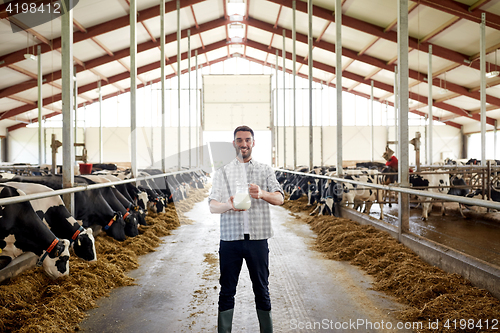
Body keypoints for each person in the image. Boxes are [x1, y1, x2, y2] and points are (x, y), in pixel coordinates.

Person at [208, 125, 284, 333]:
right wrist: (229, 206)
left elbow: (280, 198)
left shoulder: (265, 170)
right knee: (227, 291)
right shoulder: (222, 172)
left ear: (253, 143)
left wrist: (262, 193)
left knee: (261, 289)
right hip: (230, 240)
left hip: (258, 240)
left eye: (247, 140)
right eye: (239, 140)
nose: (243, 144)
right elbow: (212, 206)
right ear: (234, 143)